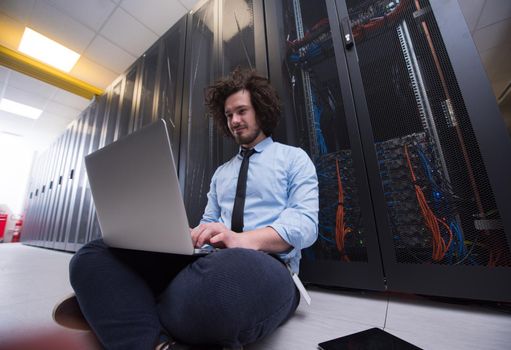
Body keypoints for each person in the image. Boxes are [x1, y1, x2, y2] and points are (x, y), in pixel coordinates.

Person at [69, 68, 319, 350]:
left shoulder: (293, 159)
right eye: (228, 115)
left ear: (261, 110)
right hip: (209, 262)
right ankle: (159, 342)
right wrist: (188, 235)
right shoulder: (221, 174)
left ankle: (127, 308)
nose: (235, 121)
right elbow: (209, 222)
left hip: (268, 265)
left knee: (225, 282)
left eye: (241, 111)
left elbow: (305, 225)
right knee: (92, 256)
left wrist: (240, 240)